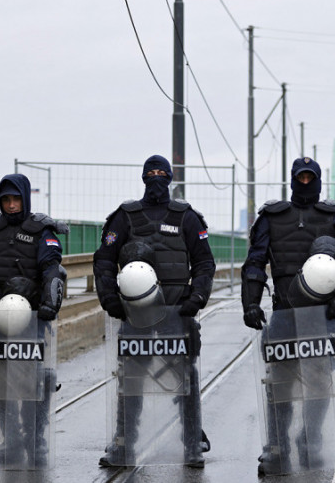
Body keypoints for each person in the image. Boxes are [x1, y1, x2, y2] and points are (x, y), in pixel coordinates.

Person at [240, 156, 335, 475]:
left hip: (323, 313)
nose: (305, 183)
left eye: (311, 178)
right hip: (284, 311)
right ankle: (276, 443)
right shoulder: (271, 217)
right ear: (293, 178)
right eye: (301, 178)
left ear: (318, 180)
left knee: (321, 380)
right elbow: (255, 262)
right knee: (277, 381)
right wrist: (250, 303)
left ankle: (310, 436)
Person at [94, 155, 215, 468]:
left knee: (185, 378)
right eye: (152, 172)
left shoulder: (187, 217)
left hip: (178, 313)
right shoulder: (124, 217)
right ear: (143, 176)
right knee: (130, 381)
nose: (157, 177)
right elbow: (104, 260)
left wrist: (198, 296)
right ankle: (124, 443)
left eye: (162, 172)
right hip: (136, 315)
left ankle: (191, 444)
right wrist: (108, 297)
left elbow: (204, 262)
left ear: (170, 177)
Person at [0, 173, 67, 466]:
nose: (10, 205)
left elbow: (52, 268)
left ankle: (36, 437)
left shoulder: (41, 230)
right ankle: (11, 437)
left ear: (25, 198)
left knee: (40, 378)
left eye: (15, 199)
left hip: (32, 317)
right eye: (5, 199)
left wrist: (49, 302)